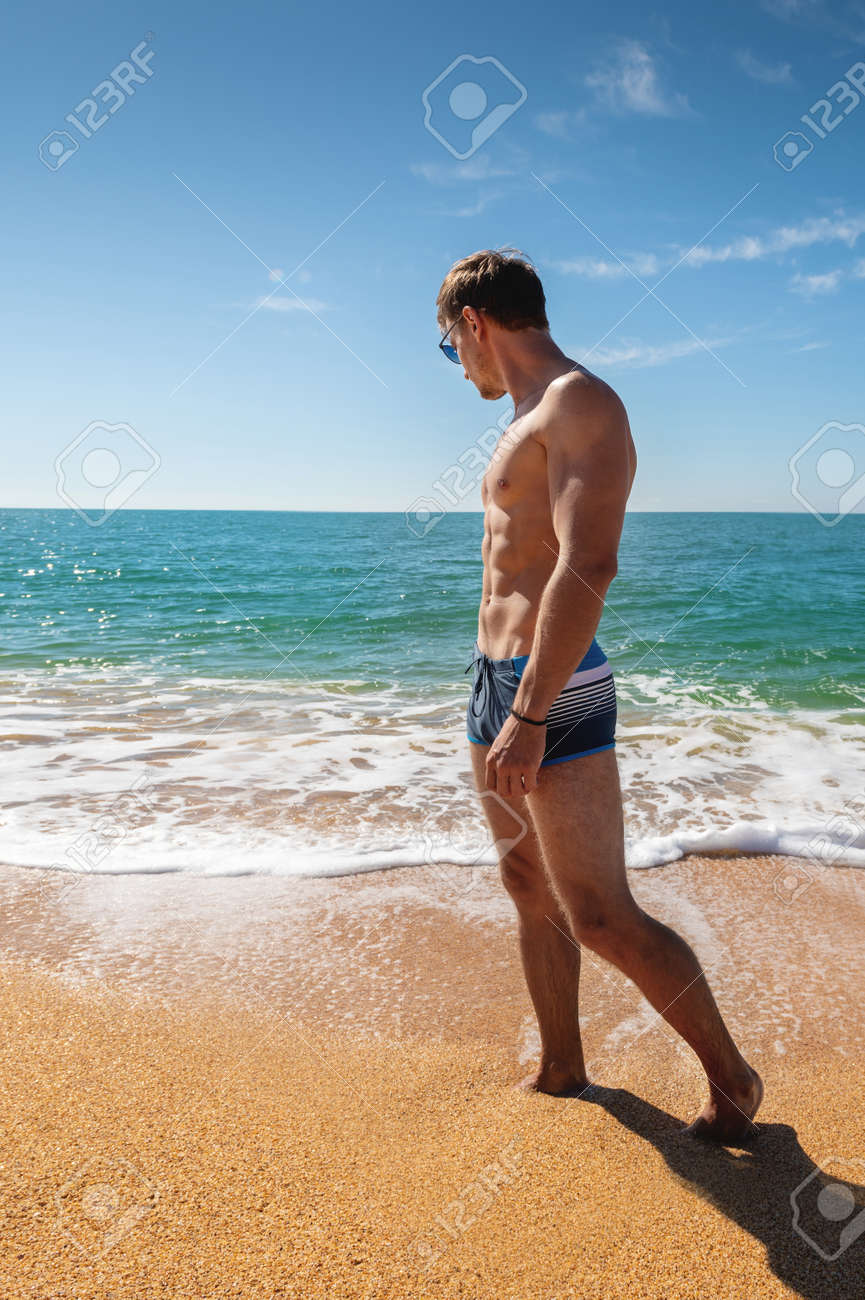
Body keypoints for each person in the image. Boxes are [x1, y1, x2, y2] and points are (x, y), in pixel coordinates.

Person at [436, 248, 762, 1142]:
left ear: (472, 323)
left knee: (601, 913)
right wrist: (502, 697)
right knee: (522, 880)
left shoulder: (579, 402)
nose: (454, 365)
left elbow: (589, 563)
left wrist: (532, 712)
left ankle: (732, 1079)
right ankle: (562, 1063)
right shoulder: (524, 415)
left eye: (447, 345)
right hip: (493, 676)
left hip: (552, 685)